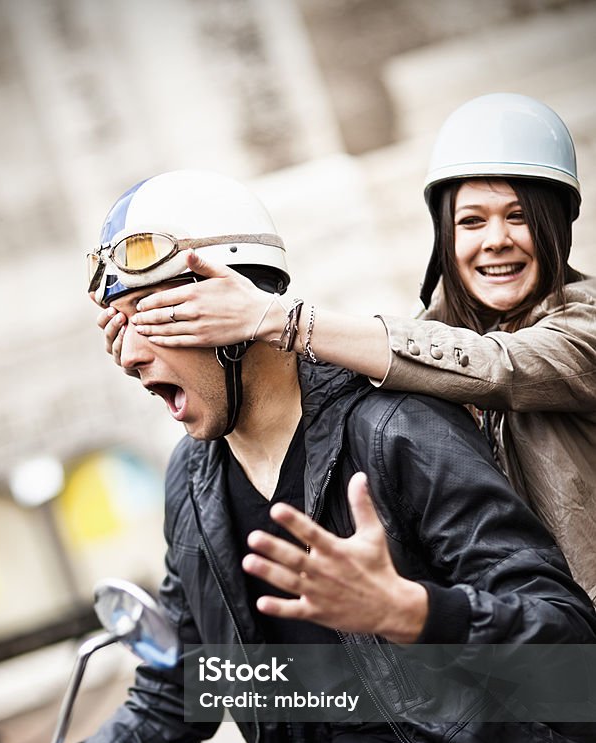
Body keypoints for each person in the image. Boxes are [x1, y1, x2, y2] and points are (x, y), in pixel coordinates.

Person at [57, 167, 596, 743]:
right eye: (111, 326)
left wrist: (412, 613)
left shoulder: (396, 426)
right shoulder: (192, 477)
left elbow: (570, 652)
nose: (126, 354)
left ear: (229, 310)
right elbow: (185, 687)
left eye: (151, 318)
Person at [108, 94, 596, 606]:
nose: (495, 240)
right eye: (471, 221)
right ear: (444, 234)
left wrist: (276, 317)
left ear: (556, 224)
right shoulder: (424, 340)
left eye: (518, 216)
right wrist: (149, 338)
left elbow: (497, 368)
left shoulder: (584, 326)